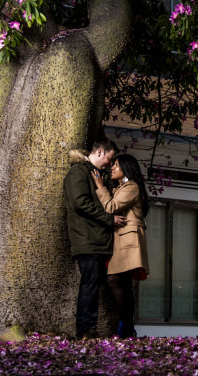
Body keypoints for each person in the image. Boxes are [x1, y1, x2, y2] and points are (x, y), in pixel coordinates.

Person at [63, 138, 121, 339]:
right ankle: (85, 329)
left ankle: (88, 328)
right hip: (87, 240)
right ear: (100, 152)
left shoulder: (98, 175)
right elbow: (80, 203)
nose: (110, 163)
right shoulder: (78, 173)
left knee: (94, 285)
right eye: (109, 158)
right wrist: (109, 219)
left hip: (98, 241)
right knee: (90, 284)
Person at [93, 153, 149, 338]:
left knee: (114, 280)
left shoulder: (131, 186)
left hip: (128, 240)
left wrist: (100, 186)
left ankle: (125, 326)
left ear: (126, 168)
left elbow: (110, 207)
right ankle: (127, 328)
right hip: (122, 240)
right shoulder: (122, 187)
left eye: (116, 165)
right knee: (123, 283)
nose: (112, 168)